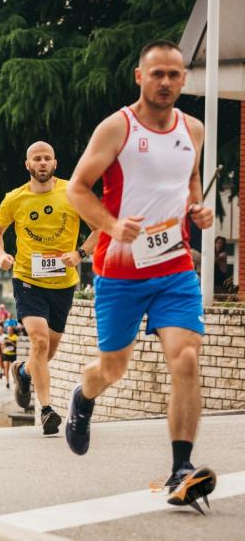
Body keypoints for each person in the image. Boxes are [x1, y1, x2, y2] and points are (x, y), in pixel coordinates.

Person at [65, 40, 216, 512]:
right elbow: (77, 189)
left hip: (174, 266)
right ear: (139, 76)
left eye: (174, 74)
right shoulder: (118, 128)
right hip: (121, 268)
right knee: (112, 368)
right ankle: (82, 398)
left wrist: (197, 208)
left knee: (187, 358)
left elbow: (188, 180)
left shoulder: (194, 129)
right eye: (158, 74)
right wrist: (112, 226)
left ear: (184, 79)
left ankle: (181, 469)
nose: (166, 82)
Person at [0, 140, 98, 436]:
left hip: (63, 284)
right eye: (36, 159)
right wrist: (1, 255)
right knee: (38, 342)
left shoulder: (72, 193)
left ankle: (23, 373)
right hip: (28, 280)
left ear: (55, 163)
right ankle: (47, 409)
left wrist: (79, 255)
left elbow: (99, 229)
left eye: (47, 158)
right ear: (28, 165)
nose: (42, 163)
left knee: (46, 353)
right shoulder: (15, 198)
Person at [1, 322, 18, 389]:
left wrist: (11, 342)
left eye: (10, 330)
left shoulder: (16, 337)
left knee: (14, 368)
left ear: (13, 330)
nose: (9, 331)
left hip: (13, 355)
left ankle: (15, 379)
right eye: (8, 330)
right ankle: (7, 382)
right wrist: (3, 349)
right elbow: (2, 346)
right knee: (6, 368)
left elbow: (18, 346)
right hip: (6, 354)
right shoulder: (5, 337)